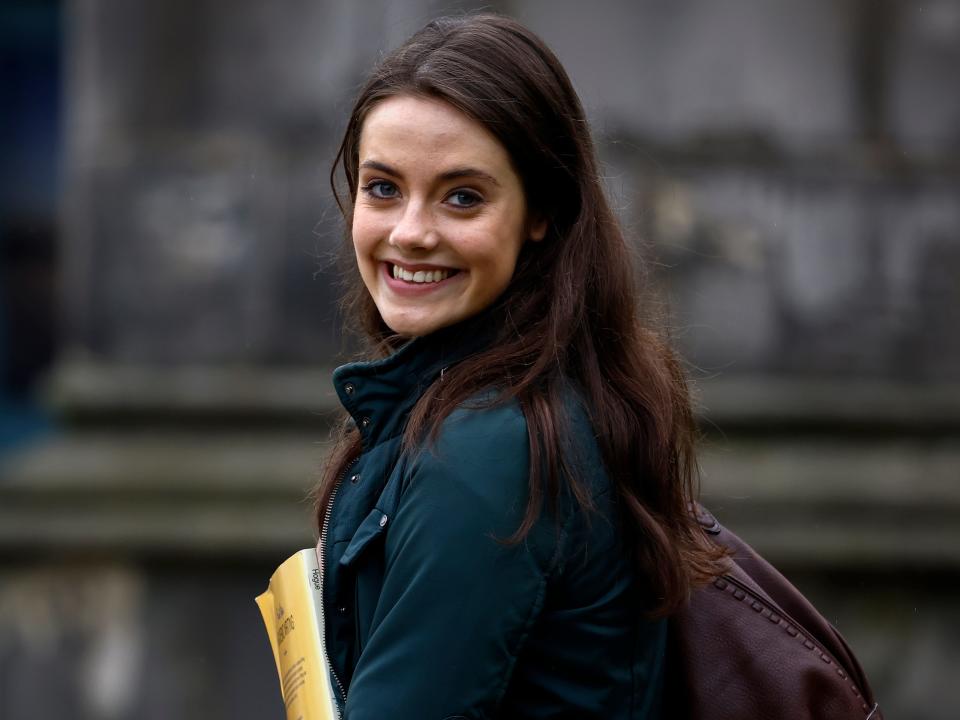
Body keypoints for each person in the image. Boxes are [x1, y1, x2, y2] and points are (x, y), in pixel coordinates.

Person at [312, 13, 727, 719]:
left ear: (541, 212)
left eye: (463, 196)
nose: (410, 232)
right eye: (383, 188)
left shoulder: (486, 451)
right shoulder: (534, 396)